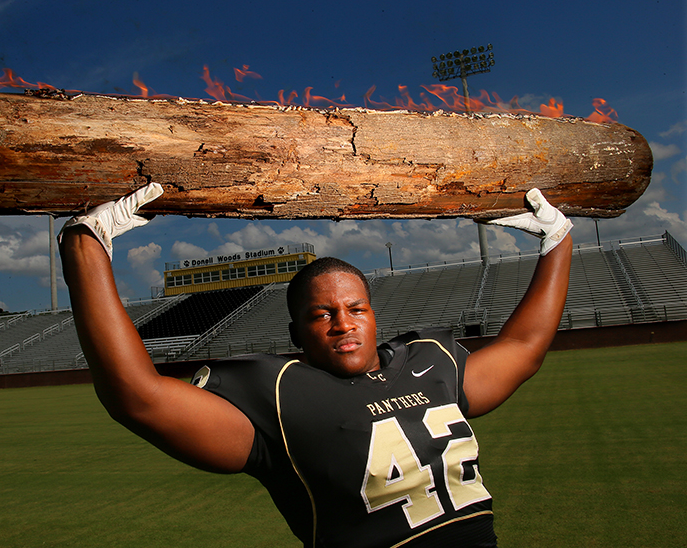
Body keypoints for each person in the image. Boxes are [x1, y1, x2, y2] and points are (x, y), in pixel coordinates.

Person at [58, 184, 572, 548]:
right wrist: (87, 246)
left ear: (374, 317)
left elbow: (524, 348)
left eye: (355, 310)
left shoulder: (429, 362)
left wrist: (556, 239)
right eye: (322, 315)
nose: (342, 324)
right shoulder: (281, 396)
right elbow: (137, 396)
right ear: (295, 335)